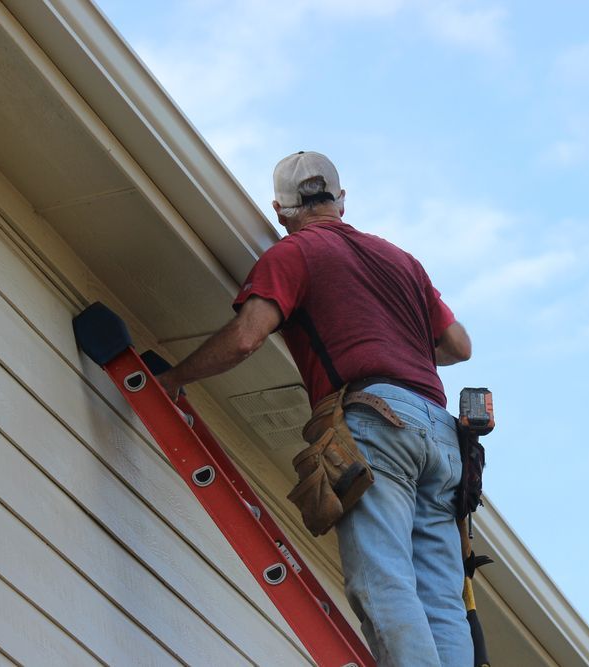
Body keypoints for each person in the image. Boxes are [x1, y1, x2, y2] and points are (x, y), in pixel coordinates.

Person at [157, 151, 473, 666]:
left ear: (280, 209)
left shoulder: (294, 254)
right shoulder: (401, 260)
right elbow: (458, 346)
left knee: (383, 579)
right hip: (440, 434)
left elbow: (245, 338)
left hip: (377, 420)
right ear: (341, 200)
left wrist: (173, 378)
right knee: (441, 598)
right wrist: (402, 345)